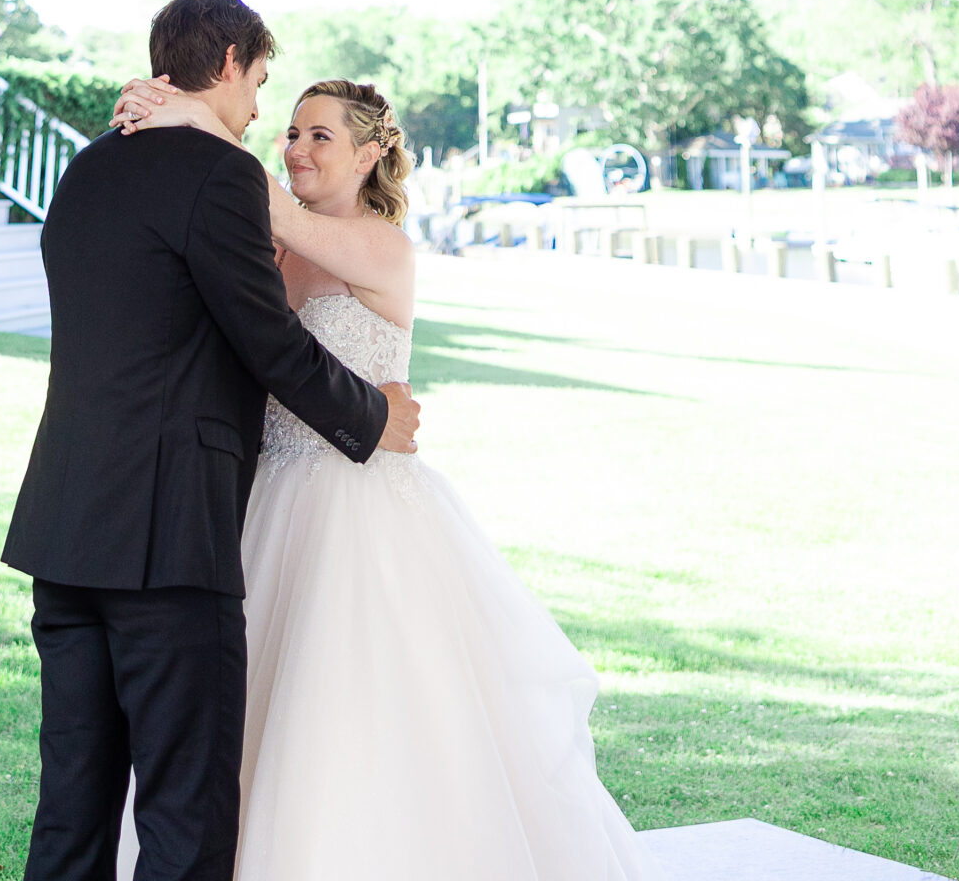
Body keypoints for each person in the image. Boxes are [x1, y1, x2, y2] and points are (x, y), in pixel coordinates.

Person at [111, 67, 653, 881]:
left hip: (355, 507)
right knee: (249, 713)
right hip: (263, 501)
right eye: (289, 132)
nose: (295, 147)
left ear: (368, 158)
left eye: (319, 135)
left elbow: (263, 202)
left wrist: (189, 110)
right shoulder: (270, 249)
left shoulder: (375, 245)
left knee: (355, 713)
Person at [2, 0, 422, 881]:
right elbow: (267, 342)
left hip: (64, 525)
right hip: (168, 537)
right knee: (186, 813)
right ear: (228, 63)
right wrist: (374, 415)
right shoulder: (221, 174)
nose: (262, 111)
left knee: (71, 805)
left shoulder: (84, 168)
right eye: (259, 82)